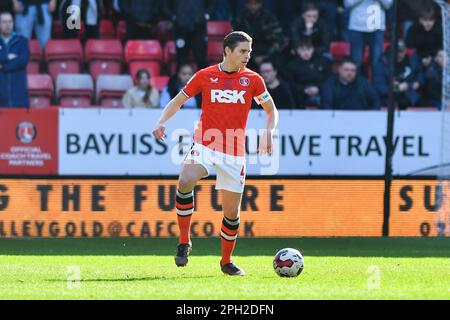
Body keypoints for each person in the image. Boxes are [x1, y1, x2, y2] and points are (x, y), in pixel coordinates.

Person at [152, 31, 278, 276]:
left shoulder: (253, 80)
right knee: (185, 180)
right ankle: (184, 241)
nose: (247, 56)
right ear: (228, 50)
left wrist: (268, 132)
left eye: (249, 52)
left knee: (231, 212)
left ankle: (226, 261)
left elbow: (271, 110)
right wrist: (161, 121)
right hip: (205, 144)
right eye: (243, 51)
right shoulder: (205, 75)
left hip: (234, 152)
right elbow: (178, 100)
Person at [232, 0, 284, 70]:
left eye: (255, 4)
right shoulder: (240, 20)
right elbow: (236, 42)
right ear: (246, 5)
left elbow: (278, 40)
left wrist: (266, 56)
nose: (253, 7)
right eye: (250, 4)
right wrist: (253, 57)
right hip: (248, 56)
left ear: (260, 4)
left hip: (269, 54)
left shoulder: (269, 18)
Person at [373, 39, 424, 109]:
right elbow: (379, 87)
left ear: (406, 50)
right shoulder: (382, 64)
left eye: (401, 51)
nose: (399, 54)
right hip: (388, 99)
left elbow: (420, 72)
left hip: (410, 98)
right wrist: (397, 88)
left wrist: (418, 82)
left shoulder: (411, 60)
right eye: (396, 51)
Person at [344, 0, 393, 73]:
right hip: (357, 26)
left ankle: (377, 84)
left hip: (377, 26)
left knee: (377, 62)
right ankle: (356, 83)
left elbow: (388, 4)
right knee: (355, 61)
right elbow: (347, 3)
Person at [162, 0, 212, 70]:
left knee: (201, 60)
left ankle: (203, 80)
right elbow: (165, 5)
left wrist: (207, 14)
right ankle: (180, 81)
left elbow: (212, 3)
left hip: (199, 27)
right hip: (180, 29)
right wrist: (173, 17)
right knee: (181, 61)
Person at [286, 38, 332, 107]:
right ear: (298, 51)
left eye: (308, 49)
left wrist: (319, 88)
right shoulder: (292, 66)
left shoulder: (324, 61)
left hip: (321, 91)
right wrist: (303, 90)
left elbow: (329, 78)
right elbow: (291, 83)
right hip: (301, 94)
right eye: (303, 50)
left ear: (312, 49)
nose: (306, 53)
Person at [0, 11, 29, 108]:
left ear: (13, 23)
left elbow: (23, 60)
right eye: (4, 22)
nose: (7, 24)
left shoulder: (22, 41)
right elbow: (17, 60)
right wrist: (8, 57)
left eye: (10, 21)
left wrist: (3, 66)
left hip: (18, 94)